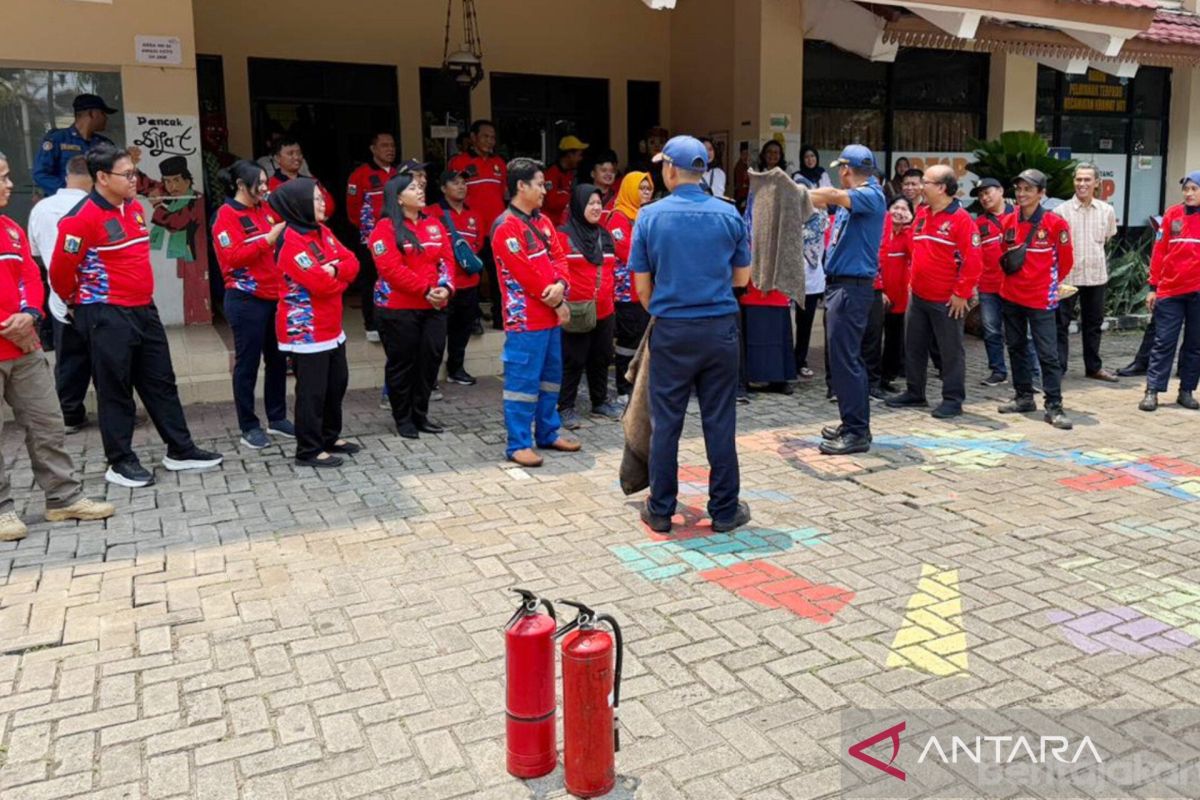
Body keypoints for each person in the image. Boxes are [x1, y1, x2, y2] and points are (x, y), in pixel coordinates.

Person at [50, 145, 223, 488]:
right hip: (106, 313)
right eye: (127, 174)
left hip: (144, 309)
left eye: (134, 173)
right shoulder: (80, 219)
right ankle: (120, 460)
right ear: (102, 177)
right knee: (115, 388)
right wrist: (76, 301)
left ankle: (180, 449)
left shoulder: (133, 208)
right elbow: (59, 273)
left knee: (161, 381)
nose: (135, 180)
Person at [629, 135, 751, 533]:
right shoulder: (729, 213)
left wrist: (671, 308)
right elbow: (742, 278)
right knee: (720, 421)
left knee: (667, 423)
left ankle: (661, 510)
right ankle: (725, 509)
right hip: (719, 329)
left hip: (672, 331)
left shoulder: (650, 217)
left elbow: (642, 289)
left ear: (669, 169)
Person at [0, 152, 116, 540]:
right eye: (2, 178)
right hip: (6, 338)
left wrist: (31, 312)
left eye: (8, 175)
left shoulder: (11, 229)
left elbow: (33, 276)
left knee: (48, 423)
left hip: (25, 347)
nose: (10, 185)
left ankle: (62, 498)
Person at [491, 157, 581, 467]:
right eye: (540, 184)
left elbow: (560, 258)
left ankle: (548, 432)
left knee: (550, 379)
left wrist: (561, 284)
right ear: (521, 186)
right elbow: (525, 273)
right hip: (525, 321)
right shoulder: (506, 226)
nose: (544, 190)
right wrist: (558, 300)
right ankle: (518, 444)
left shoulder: (543, 222)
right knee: (522, 383)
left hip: (549, 317)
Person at [271, 179, 361, 467]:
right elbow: (321, 285)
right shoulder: (291, 242)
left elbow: (353, 262)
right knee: (312, 392)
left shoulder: (321, 231)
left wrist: (335, 268)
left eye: (322, 198)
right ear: (298, 204)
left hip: (331, 326)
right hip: (306, 332)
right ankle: (308, 449)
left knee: (337, 383)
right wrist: (339, 278)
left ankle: (329, 436)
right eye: (316, 199)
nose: (323, 203)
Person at [885, 165, 983, 419]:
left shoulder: (961, 220)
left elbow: (973, 262)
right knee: (914, 347)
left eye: (925, 183)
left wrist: (961, 293)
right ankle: (915, 393)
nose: (919, 187)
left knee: (950, 351)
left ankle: (952, 399)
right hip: (918, 297)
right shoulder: (922, 214)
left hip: (947, 300)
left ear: (941, 188)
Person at [808, 145, 886, 456]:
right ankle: (852, 422)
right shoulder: (853, 196)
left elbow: (830, 196)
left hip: (852, 289)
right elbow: (820, 198)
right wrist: (796, 194)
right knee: (843, 360)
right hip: (841, 287)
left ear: (846, 169)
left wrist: (798, 190)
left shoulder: (869, 194)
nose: (840, 174)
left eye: (842, 168)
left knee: (847, 361)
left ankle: (857, 431)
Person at [212, 160, 292, 450]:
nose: (264, 187)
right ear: (240, 185)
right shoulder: (225, 215)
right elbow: (232, 256)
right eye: (258, 182)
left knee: (278, 360)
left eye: (265, 181)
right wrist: (267, 240)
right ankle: (248, 425)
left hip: (275, 297)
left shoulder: (266, 209)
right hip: (246, 300)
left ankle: (278, 417)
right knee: (247, 364)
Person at [371, 172, 453, 438]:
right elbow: (391, 270)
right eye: (412, 188)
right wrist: (426, 289)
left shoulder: (434, 224)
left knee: (430, 359)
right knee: (402, 363)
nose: (420, 191)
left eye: (420, 186)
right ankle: (403, 418)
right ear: (398, 197)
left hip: (435, 306)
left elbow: (447, 258)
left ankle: (420, 414)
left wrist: (446, 287)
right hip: (397, 308)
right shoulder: (384, 229)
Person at [997, 169, 1074, 430]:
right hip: (1011, 296)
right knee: (1016, 348)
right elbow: (1003, 255)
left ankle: (1054, 405)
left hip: (1041, 300)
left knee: (1048, 354)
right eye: (1018, 189)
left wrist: (1048, 284)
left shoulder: (1055, 223)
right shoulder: (1008, 221)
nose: (1021, 194)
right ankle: (1023, 397)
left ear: (1041, 193)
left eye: (1028, 189)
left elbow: (1066, 261)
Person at [27, 156, 93, 432]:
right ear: (95, 177)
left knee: (68, 360)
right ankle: (119, 412)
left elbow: (35, 254)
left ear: (67, 176)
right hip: (96, 297)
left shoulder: (41, 208)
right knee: (107, 358)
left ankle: (70, 415)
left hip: (58, 299)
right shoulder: (95, 207)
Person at [557, 185, 620, 428]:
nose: (596, 208)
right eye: (590, 203)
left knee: (601, 357)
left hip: (605, 309)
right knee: (573, 360)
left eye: (598, 203)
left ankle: (600, 401)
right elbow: (557, 272)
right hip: (577, 311)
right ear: (577, 206)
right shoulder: (563, 236)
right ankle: (565, 407)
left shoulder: (605, 236)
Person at [1138, 171, 1200, 412]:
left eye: (1194, 189)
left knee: (1195, 345)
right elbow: (1159, 253)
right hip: (1170, 292)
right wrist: (1153, 288)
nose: (1189, 193)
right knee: (1163, 342)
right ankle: (1152, 390)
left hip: (1198, 293)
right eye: (1186, 189)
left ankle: (1186, 390)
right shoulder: (1172, 215)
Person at [1054, 162, 1119, 382]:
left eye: (1087, 180)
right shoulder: (1060, 211)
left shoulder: (1106, 211)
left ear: (1097, 183)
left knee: (1093, 324)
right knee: (1060, 324)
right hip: (1068, 277)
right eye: (1078, 179)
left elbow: (1107, 238)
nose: (1082, 184)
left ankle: (1094, 368)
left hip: (1096, 276)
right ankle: (1058, 368)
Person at [449, 120, 508, 330]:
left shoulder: (500, 163)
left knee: (498, 274)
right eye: (485, 136)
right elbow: (453, 195)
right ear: (473, 138)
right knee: (470, 274)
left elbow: (502, 194)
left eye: (492, 137)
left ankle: (500, 317)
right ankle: (472, 319)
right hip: (470, 230)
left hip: (496, 231)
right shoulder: (459, 162)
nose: (490, 141)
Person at [429, 169, 484, 386]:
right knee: (437, 333)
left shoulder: (475, 215)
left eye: (464, 182)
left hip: (469, 283)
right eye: (455, 183)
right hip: (443, 284)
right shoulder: (432, 212)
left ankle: (456, 369)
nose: (461, 186)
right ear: (443, 189)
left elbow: (478, 244)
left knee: (461, 331)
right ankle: (430, 375)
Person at [346, 132, 398, 343]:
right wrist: (369, 232)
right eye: (384, 145)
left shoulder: (399, 174)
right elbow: (353, 209)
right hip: (372, 238)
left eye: (392, 145)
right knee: (371, 280)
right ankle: (372, 323)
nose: (390, 149)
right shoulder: (360, 175)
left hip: (398, 237)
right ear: (373, 149)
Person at [608, 171, 653, 400]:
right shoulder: (618, 217)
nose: (645, 192)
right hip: (627, 292)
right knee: (628, 341)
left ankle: (638, 385)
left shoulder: (647, 215)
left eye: (648, 188)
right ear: (629, 189)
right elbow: (626, 251)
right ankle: (623, 387)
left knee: (642, 340)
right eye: (641, 188)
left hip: (646, 289)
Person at [32, 94, 117, 195]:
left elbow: (114, 174)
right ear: (92, 114)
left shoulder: (105, 144)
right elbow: (41, 174)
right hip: (65, 205)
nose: (106, 118)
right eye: (103, 113)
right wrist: (69, 193)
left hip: (97, 205)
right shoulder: (57, 139)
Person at [791, 176, 827, 381]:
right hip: (787, 275)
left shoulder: (819, 217)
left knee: (805, 323)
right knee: (785, 324)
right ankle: (786, 360)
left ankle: (800, 360)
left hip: (811, 278)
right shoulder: (786, 217)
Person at [877, 196, 913, 392]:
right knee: (873, 339)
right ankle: (871, 378)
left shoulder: (908, 234)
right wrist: (880, 289)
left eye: (904, 209)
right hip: (878, 294)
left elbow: (915, 253)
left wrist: (909, 227)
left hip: (899, 297)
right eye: (895, 207)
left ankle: (886, 378)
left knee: (894, 340)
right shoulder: (880, 230)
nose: (899, 211)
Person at [268, 138, 335, 219]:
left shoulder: (311, 181)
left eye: (299, 153)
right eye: (290, 153)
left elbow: (329, 206)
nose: (296, 157)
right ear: (277, 158)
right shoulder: (270, 185)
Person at [543, 136, 588, 226]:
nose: (581, 159)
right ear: (569, 155)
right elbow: (551, 202)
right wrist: (572, 198)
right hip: (550, 225)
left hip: (565, 223)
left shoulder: (570, 173)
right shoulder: (551, 174)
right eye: (579, 155)